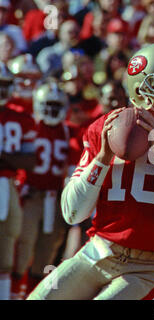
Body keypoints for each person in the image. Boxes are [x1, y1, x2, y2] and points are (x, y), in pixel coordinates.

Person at [27, 42, 154, 300]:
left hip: (152, 264)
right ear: (142, 89)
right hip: (99, 250)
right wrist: (102, 158)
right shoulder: (106, 127)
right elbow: (72, 212)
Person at [12, 80, 70, 299]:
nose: (52, 110)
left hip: (53, 201)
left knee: (48, 254)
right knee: (23, 249)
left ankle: (37, 295)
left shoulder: (68, 131)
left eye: (56, 106)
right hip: (31, 196)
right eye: (48, 105)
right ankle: (15, 294)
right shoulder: (30, 126)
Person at [0, 62, 37, 300]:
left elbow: (30, 161)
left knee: (6, 250)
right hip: (9, 183)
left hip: (9, 187)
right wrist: (10, 159)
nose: (2, 90)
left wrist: (3, 156)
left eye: (5, 85)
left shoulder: (21, 117)